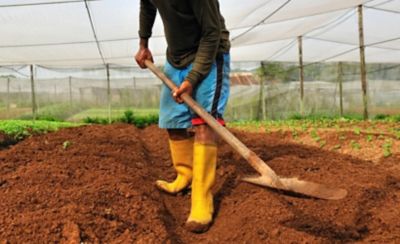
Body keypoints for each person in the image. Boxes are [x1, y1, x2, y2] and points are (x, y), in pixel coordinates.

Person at [135, 0, 230, 233]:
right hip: (175, 57)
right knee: (173, 120)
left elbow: (211, 33)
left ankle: (201, 198)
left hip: (208, 53)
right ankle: (185, 175)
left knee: (205, 122)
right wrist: (143, 43)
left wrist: (193, 79)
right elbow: (147, 6)